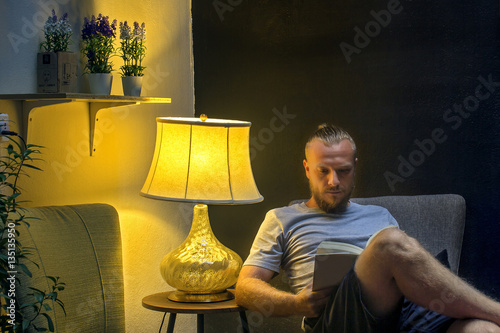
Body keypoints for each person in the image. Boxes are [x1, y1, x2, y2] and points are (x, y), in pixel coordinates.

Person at [235, 124, 500, 332]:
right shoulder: (282, 218)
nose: (333, 181)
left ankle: (490, 317)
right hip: (337, 321)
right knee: (388, 243)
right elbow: (246, 288)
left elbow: (410, 268)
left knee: (484, 329)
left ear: (355, 167)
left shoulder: (380, 215)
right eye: (323, 171)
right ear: (306, 168)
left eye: (343, 170)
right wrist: (296, 304)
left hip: (402, 317)